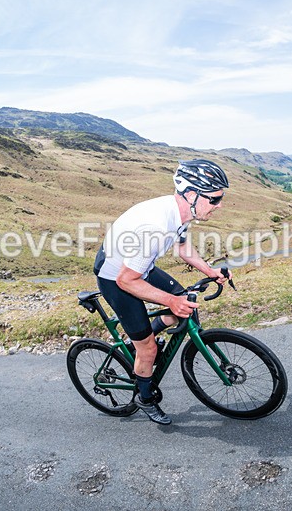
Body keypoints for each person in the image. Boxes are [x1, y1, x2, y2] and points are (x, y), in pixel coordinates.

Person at [94, 159, 231, 425]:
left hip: (139, 268)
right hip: (117, 277)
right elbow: (126, 281)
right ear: (191, 194)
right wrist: (170, 300)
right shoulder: (154, 227)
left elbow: (183, 247)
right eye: (214, 199)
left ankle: (144, 338)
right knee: (148, 349)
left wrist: (210, 271)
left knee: (183, 303)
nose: (219, 205)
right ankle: (144, 398)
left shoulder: (180, 212)